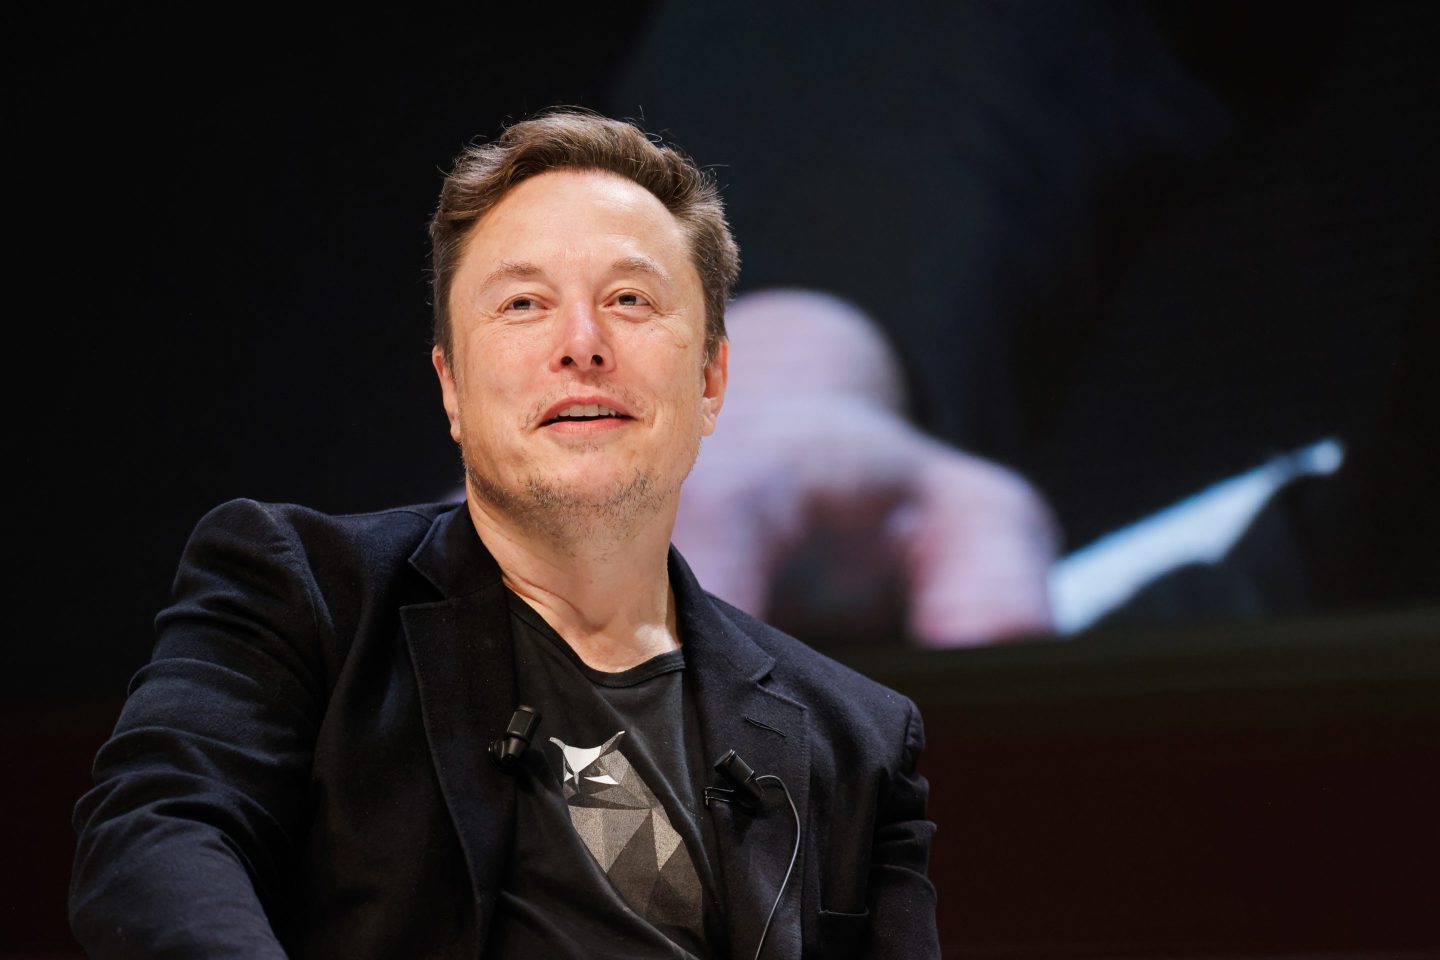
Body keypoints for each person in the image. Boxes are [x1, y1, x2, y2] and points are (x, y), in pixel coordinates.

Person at [70, 111, 939, 959]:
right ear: (451, 385)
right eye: (523, 303)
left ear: (711, 377)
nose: (582, 344)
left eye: (630, 299)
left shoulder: (855, 737)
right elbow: (159, 839)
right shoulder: (305, 595)